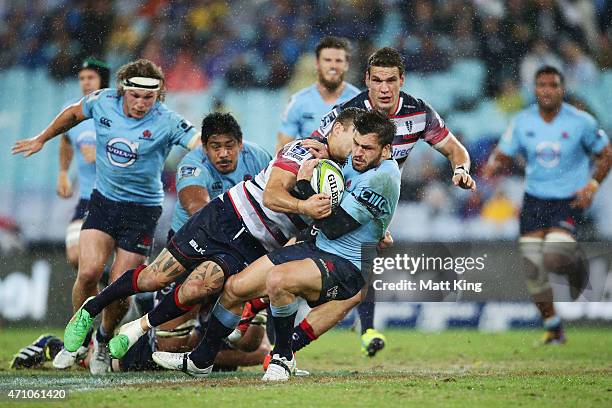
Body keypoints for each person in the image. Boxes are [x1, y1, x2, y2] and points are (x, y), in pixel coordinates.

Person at [61, 108, 361, 362]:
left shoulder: (341, 172)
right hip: (225, 216)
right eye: (355, 138)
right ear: (337, 129)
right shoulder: (301, 150)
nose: (358, 147)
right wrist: (303, 204)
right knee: (156, 277)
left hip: (255, 244)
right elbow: (271, 196)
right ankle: (93, 307)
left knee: (200, 287)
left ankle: (140, 328)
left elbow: (327, 219)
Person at [152, 109, 400, 380]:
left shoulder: (383, 177)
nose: (358, 153)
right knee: (235, 287)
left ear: (386, 151)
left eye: (367, 148)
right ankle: (201, 360)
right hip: (317, 247)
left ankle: (282, 357)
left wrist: (305, 183)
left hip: (347, 264)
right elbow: (340, 178)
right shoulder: (358, 160)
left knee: (279, 281)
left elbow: (333, 225)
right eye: (356, 145)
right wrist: (327, 153)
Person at [12, 59, 200, 374]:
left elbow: (197, 142)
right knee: (87, 273)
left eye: (148, 98)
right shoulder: (103, 102)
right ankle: (79, 341)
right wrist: (42, 138)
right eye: (135, 96)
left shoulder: (167, 120)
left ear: (159, 95)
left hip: (141, 210)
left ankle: (103, 338)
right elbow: (72, 115)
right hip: (103, 202)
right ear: (123, 90)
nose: (141, 104)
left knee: (121, 286)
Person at [303, 46, 476, 357]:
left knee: (362, 265)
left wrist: (461, 169)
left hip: (376, 200)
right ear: (367, 79)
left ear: (402, 80)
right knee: (305, 256)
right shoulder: (349, 113)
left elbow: (454, 149)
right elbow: (313, 144)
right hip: (336, 195)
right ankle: (258, 312)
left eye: (391, 80)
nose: (384, 88)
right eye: (378, 80)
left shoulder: (419, 113)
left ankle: (362, 328)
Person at [483, 66, 611, 344]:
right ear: (534, 89)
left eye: (553, 85)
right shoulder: (522, 121)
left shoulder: (582, 122)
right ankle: (553, 328)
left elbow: (605, 154)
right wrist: (495, 163)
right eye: (541, 85)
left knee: (554, 257)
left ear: (562, 89)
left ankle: (577, 267)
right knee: (533, 268)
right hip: (534, 200)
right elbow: (504, 152)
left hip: (568, 199)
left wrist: (592, 186)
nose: (547, 90)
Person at [168, 112, 271, 241]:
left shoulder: (258, 156)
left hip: (241, 235)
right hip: (190, 236)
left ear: (240, 144)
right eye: (215, 147)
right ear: (205, 147)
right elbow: (196, 209)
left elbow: (274, 191)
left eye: (229, 146)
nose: (223, 154)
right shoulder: (192, 165)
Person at [58, 58, 110, 270]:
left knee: (116, 266)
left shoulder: (117, 113)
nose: (85, 82)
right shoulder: (72, 111)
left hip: (117, 200)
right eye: (82, 78)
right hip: (87, 200)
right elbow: (66, 140)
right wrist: (63, 172)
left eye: (91, 77)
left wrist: (103, 154)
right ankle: (102, 295)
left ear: (102, 80)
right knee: (75, 256)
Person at [275, 36, 359, 151]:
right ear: (317, 64)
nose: (333, 66)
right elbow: (282, 148)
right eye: (327, 60)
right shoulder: (298, 101)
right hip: (309, 166)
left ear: (346, 65)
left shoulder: (359, 101)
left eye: (338, 61)